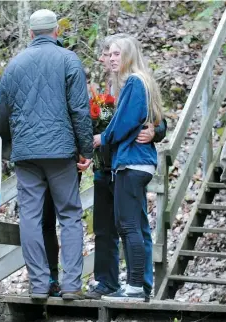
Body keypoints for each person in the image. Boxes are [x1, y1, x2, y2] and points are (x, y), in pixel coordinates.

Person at [0, 9, 93, 301]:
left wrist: (9, 146)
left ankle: (39, 284)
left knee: (30, 217)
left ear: (30, 34)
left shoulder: (14, 65)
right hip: (61, 152)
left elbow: (0, 112)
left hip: (27, 156)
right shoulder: (69, 60)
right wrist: (85, 150)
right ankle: (71, 285)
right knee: (70, 215)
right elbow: (80, 110)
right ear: (56, 32)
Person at [86, 34, 167, 301]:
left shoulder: (135, 82)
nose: (110, 58)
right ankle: (110, 283)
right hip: (108, 165)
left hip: (129, 161)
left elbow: (148, 120)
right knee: (110, 228)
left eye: (115, 54)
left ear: (128, 56)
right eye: (107, 54)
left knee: (132, 226)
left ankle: (138, 286)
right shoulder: (102, 89)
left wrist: (154, 132)